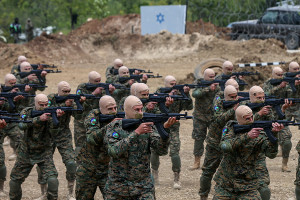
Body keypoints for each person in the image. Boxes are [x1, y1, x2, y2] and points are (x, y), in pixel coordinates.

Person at [104, 95, 176, 199]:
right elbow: (113, 151)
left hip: (143, 187)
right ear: (127, 110)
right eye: (137, 110)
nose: (141, 112)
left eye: (141, 109)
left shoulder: (147, 126)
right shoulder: (114, 126)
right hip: (118, 188)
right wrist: (136, 133)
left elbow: (161, 150)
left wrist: (165, 131)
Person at [213, 105, 283, 199]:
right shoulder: (230, 128)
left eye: (252, 117)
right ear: (239, 119)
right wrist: (247, 136)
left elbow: (271, 154)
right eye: (247, 118)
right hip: (226, 183)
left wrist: (274, 134)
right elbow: (225, 146)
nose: (251, 120)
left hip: (247, 184)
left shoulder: (259, 134)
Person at [35, 81, 82, 200]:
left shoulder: (71, 100)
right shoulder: (50, 98)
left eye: (68, 91)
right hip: (48, 134)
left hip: (63, 134)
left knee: (71, 163)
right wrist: (62, 106)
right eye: (64, 92)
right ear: (59, 91)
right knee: (42, 163)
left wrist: (77, 103)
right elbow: (45, 112)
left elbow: (78, 116)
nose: (67, 94)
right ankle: (44, 192)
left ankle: (70, 192)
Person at [9, 94, 59, 200]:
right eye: (41, 105)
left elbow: (55, 131)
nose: (44, 107)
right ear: (36, 104)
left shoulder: (50, 113)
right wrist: (38, 119)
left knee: (52, 179)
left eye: (46, 104)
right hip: (26, 151)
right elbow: (21, 125)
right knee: (15, 180)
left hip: (44, 152)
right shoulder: (26, 112)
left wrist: (55, 117)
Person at [151, 75, 193, 189]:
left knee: (174, 151)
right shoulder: (158, 94)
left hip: (173, 126)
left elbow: (189, 106)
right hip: (159, 125)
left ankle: (176, 178)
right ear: (165, 84)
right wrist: (165, 104)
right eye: (171, 84)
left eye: (175, 84)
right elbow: (153, 110)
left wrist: (186, 94)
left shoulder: (178, 94)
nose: (174, 86)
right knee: (155, 150)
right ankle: (154, 176)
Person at [199, 85, 239, 200]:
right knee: (207, 171)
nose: (234, 99)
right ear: (225, 96)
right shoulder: (218, 103)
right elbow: (218, 120)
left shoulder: (238, 104)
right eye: (231, 97)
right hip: (214, 144)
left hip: (229, 144)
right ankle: (203, 195)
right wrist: (233, 110)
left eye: (236, 96)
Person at [76, 95, 118, 199]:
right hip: (88, 168)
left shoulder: (120, 117)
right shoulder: (93, 117)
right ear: (101, 109)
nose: (114, 111)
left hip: (108, 168)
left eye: (115, 108)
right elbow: (92, 138)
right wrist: (110, 125)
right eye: (110, 109)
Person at [74, 71, 115, 155]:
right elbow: (79, 104)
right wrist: (94, 93)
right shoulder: (82, 87)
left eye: (100, 80)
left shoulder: (102, 88)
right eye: (96, 81)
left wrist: (109, 92)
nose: (99, 83)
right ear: (90, 81)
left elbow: (106, 104)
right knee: (80, 143)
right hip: (82, 121)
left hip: (97, 121)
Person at [263, 66, 293, 172]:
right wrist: (279, 87)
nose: (281, 77)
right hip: (266, 117)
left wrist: (293, 85)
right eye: (278, 75)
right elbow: (265, 95)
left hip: (281, 116)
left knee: (287, 141)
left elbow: (290, 95)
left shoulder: (286, 83)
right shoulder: (267, 83)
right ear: (273, 75)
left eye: (282, 74)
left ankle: (284, 164)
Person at [190, 68, 220, 170]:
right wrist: (207, 89)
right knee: (198, 139)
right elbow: (195, 94)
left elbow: (219, 98)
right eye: (210, 77)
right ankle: (197, 161)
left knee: (213, 140)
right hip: (199, 117)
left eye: (213, 76)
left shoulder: (217, 86)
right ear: (205, 76)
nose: (212, 79)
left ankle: (209, 161)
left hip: (212, 117)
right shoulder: (198, 83)